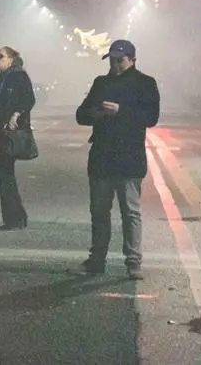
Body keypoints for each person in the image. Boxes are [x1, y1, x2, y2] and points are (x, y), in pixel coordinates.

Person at [76, 39, 160, 280]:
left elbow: (151, 117)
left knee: (130, 212)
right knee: (99, 212)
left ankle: (133, 262)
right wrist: (98, 114)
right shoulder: (101, 83)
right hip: (102, 156)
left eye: (119, 60)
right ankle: (97, 259)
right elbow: (81, 114)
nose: (115, 64)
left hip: (129, 156)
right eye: (111, 60)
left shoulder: (145, 83)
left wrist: (120, 111)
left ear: (132, 59)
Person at [0, 47, 35, 231]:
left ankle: (15, 218)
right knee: (4, 173)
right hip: (1, 131)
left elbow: (28, 99)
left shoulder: (18, 76)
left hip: (11, 131)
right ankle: (16, 217)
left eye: (0, 56)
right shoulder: (2, 78)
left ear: (12, 59)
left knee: (5, 173)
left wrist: (16, 115)